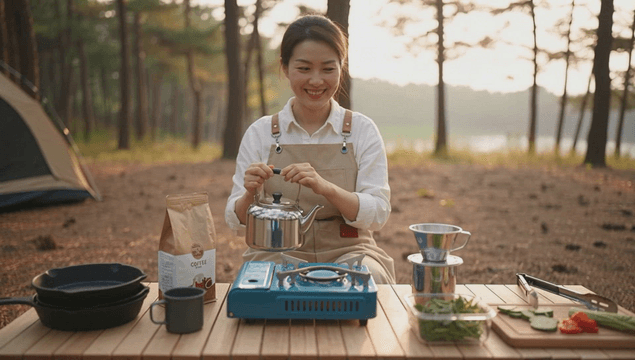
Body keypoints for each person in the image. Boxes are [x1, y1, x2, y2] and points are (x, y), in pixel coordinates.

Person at [224, 14, 395, 284]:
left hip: (351, 249)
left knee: (370, 280)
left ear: (342, 67)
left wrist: (326, 187)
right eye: (304, 69)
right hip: (276, 250)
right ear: (285, 67)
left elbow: (377, 215)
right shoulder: (261, 133)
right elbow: (236, 221)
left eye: (328, 69)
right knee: (262, 285)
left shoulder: (362, 130)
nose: (316, 81)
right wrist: (248, 193)